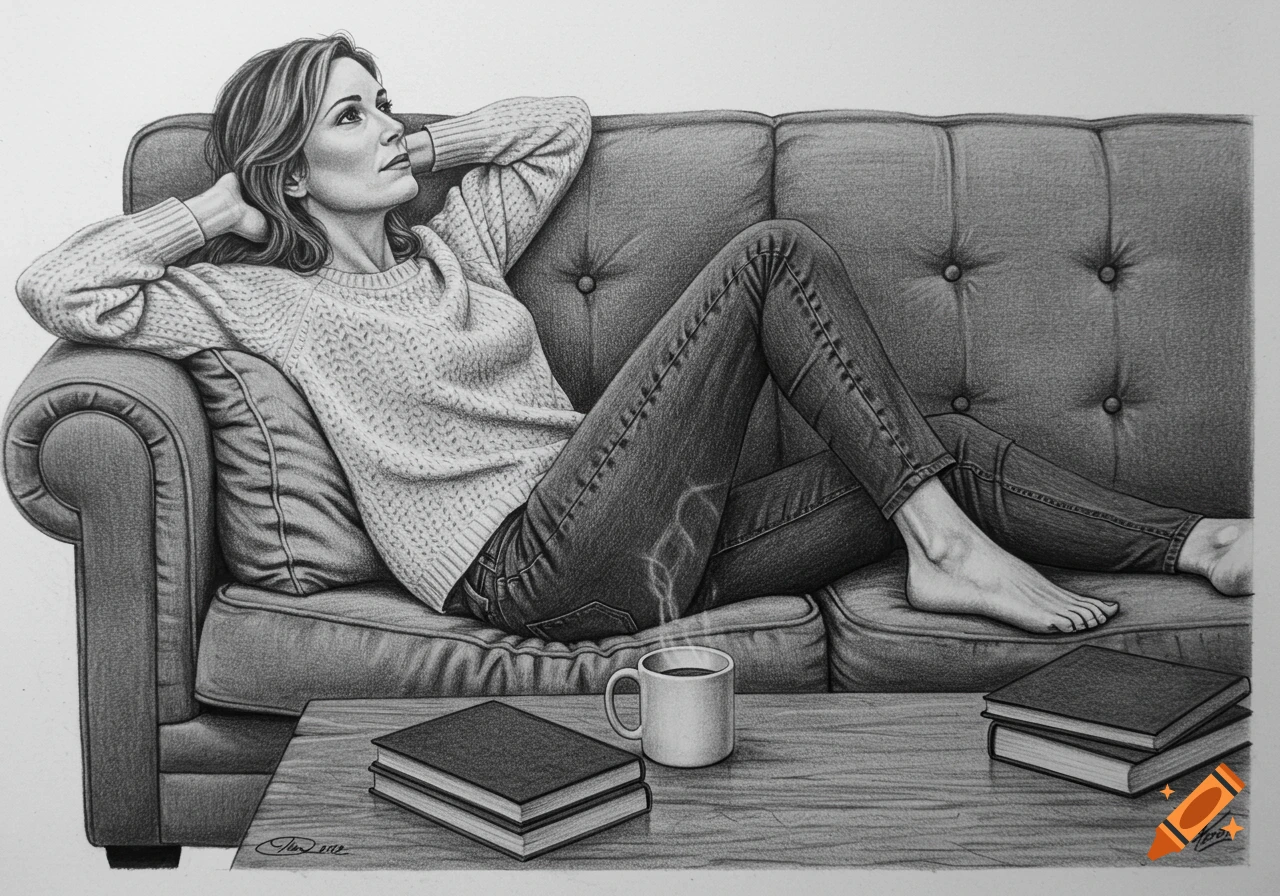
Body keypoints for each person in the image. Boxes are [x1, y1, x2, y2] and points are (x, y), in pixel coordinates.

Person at [17, 34, 1252, 643]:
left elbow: (556, 123)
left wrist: (420, 144)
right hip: (527, 561)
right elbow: (58, 286)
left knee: (937, 448)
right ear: (291, 166)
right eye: (354, 115)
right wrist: (221, 206)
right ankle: (943, 548)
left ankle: (1201, 542)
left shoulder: (454, 247)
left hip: (646, 545)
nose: (388, 124)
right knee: (772, 254)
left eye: (384, 101)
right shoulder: (257, 299)